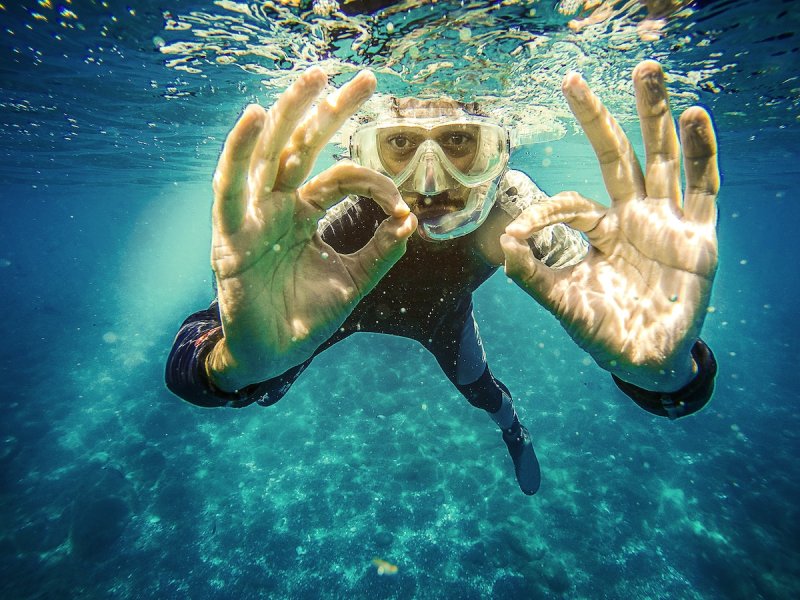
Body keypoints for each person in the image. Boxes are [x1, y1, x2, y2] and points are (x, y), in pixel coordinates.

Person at [166, 60, 719, 496]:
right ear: (364, 153)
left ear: (498, 153)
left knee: (486, 397)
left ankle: (513, 432)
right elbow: (190, 364)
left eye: (460, 143)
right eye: (400, 145)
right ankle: (267, 379)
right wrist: (229, 367)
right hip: (337, 312)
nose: (430, 185)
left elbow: (625, 313)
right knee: (264, 384)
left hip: (440, 318)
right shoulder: (348, 213)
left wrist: (668, 375)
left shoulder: (511, 210)